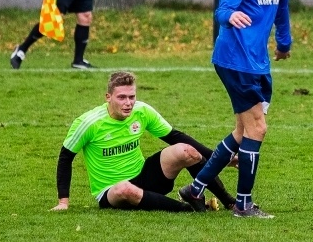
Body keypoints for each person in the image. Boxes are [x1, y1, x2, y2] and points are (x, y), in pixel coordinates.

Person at [178, 0, 292, 219]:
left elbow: (282, 8)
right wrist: (229, 14)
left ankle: (195, 188)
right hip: (233, 59)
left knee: (242, 132)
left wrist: (284, 43)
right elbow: (222, 8)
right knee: (258, 127)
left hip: (258, 61)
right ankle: (243, 204)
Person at [50, 71, 236, 212]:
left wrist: (221, 158)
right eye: (121, 97)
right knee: (125, 189)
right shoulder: (89, 123)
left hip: (145, 177)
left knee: (186, 150)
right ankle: (188, 209)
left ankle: (229, 201)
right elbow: (66, 157)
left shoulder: (142, 111)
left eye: (132, 97)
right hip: (111, 192)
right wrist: (63, 202)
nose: (128, 103)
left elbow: (175, 136)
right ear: (108, 97)